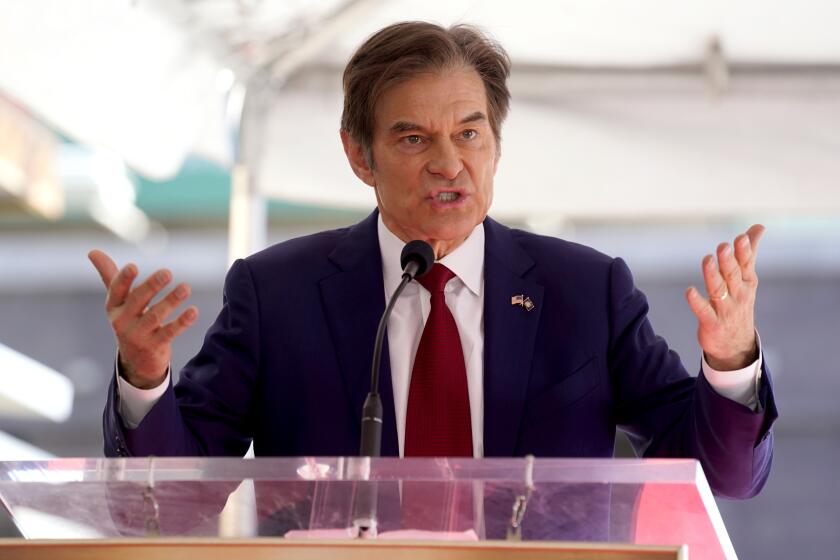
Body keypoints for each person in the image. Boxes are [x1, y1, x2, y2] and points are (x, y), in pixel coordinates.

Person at [90, 21, 776, 499]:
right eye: (414, 138)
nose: (450, 163)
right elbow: (172, 487)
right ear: (359, 155)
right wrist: (146, 376)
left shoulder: (585, 291)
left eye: (469, 133)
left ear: (496, 146)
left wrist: (729, 361)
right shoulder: (277, 295)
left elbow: (724, 478)